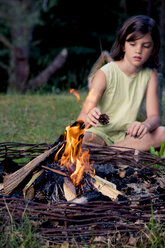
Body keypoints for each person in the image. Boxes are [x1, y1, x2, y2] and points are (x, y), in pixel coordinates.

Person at [77, 15, 165, 151]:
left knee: (162, 133)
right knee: (83, 140)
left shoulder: (150, 75)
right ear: (123, 45)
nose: (138, 50)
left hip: (128, 136)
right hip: (98, 132)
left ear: (153, 49)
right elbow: (83, 115)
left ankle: (109, 153)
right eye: (132, 44)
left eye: (146, 46)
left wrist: (145, 125)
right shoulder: (105, 73)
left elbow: (154, 117)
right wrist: (88, 117)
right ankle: (117, 154)